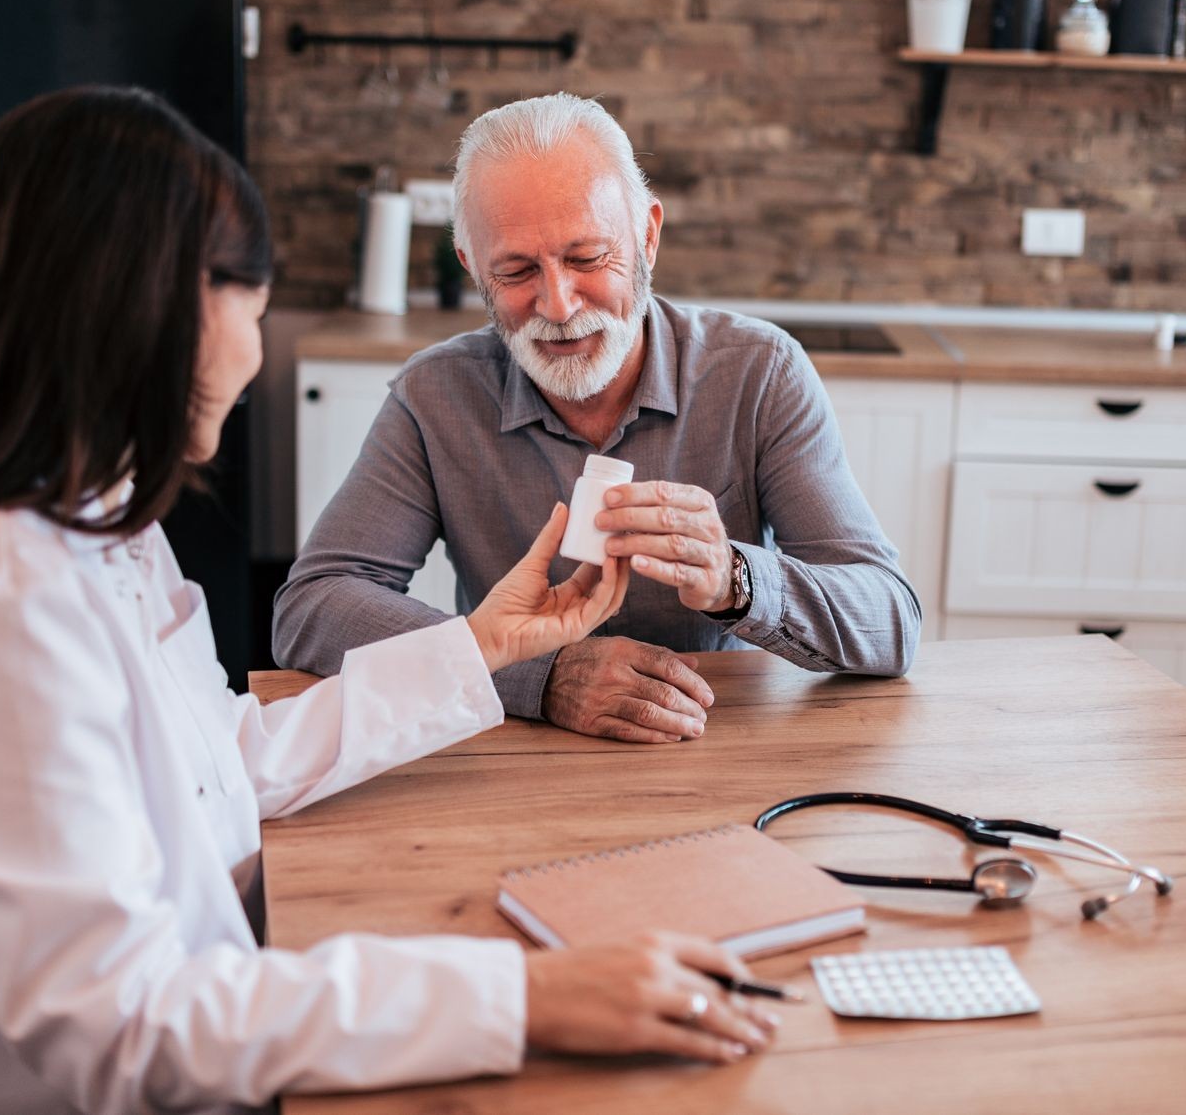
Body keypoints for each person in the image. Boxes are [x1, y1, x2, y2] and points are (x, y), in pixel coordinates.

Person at [0, 88, 776, 1115]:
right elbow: (127, 1026)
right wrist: (520, 995)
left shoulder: (84, 519)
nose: (255, 352)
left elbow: (222, 766)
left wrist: (486, 643)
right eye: (253, 301)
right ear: (148, 309)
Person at [274, 94, 919, 744]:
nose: (556, 305)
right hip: (512, 763)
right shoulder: (435, 396)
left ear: (648, 237)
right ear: (473, 269)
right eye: (517, 270)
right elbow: (313, 609)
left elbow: (891, 623)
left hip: (718, 748)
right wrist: (537, 674)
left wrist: (737, 577)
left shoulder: (759, 373)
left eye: (587, 259)